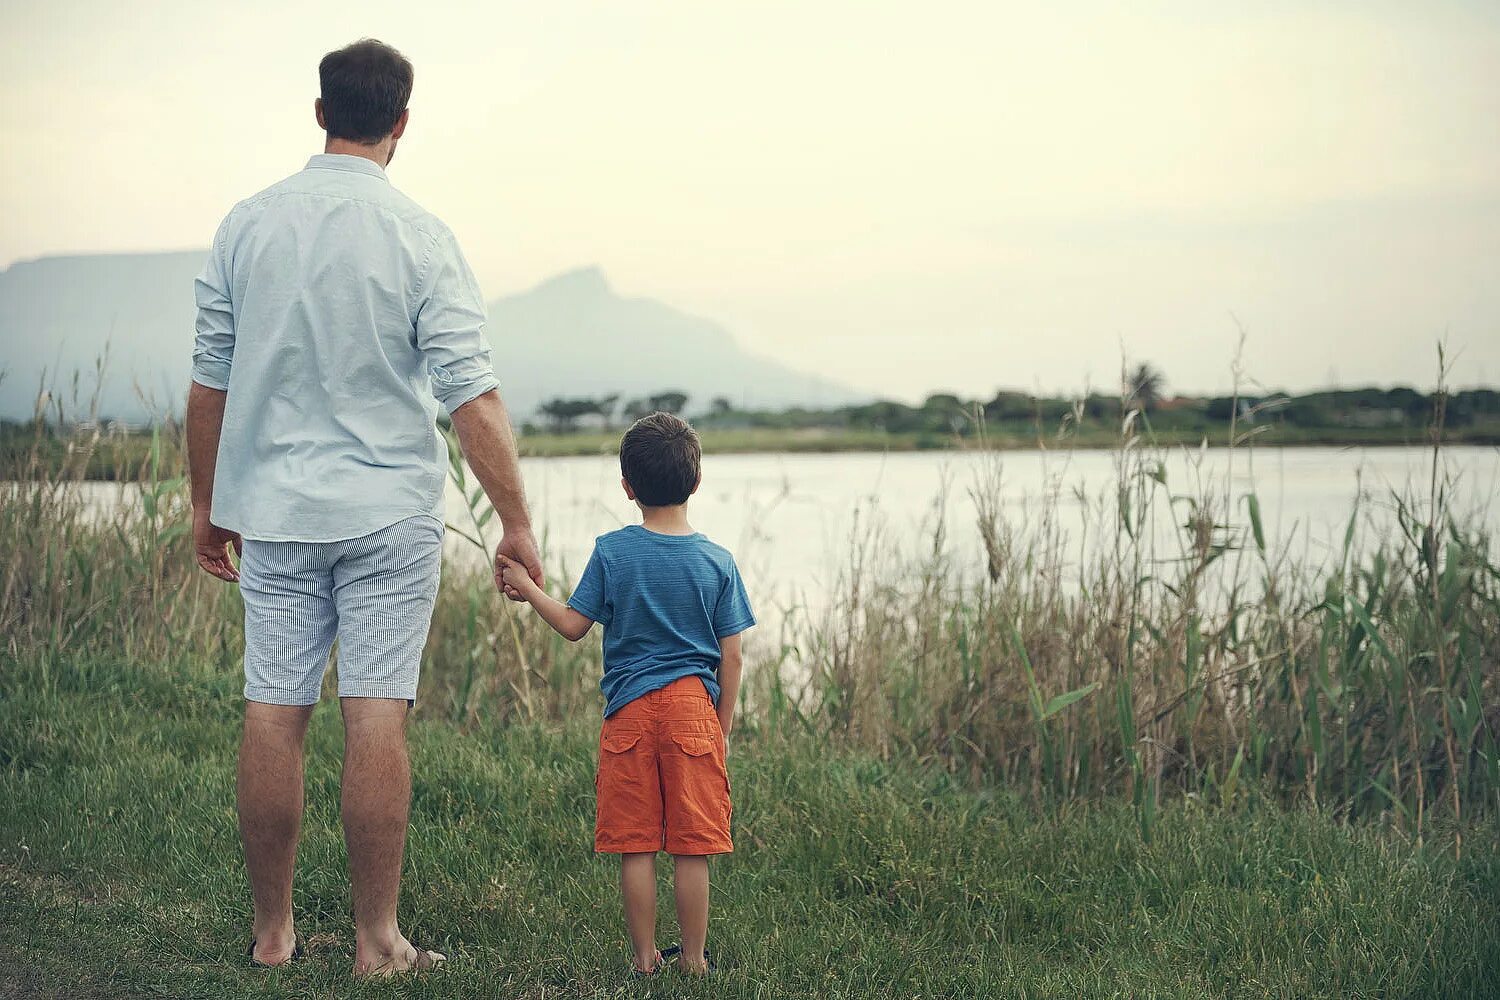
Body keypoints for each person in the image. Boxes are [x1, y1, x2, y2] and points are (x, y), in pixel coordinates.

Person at [186, 38, 542, 976]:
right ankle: (377, 942)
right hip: (387, 511)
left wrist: (206, 504)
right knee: (374, 713)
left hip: (272, 511)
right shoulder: (421, 235)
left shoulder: (246, 226)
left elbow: (208, 386)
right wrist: (516, 520)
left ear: (318, 113)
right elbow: (474, 396)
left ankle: (273, 937)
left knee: (273, 712)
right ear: (402, 122)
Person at [497, 412, 754, 977]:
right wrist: (722, 729)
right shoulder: (717, 562)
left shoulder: (613, 553)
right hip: (693, 711)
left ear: (627, 487)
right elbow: (731, 655)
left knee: (635, 842)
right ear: (697, 480)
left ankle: (643, 960)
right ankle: (692, 961)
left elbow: (571, 625)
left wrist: (528, 587)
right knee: (693, 845)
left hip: (630, 712)